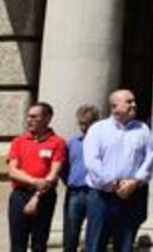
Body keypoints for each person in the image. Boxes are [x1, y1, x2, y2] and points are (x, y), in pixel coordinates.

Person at [83, 89, 153, 252]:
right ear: (114, 106)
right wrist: (112, 183)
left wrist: (135, 181)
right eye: (129, 101)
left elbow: (150, 159)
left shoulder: (143, 129)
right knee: (95, 245)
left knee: (125, 245)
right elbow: (92, 161)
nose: (134, 105)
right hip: (101, 197)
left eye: (134, 101)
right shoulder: (98, 129)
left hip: (131, 196)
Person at [7, 102, 67, 252]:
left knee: (39, 244)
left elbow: (53, 175)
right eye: (28, 116)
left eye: (34, 117)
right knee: (17, 243)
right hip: (19, 195)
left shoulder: (58, 142)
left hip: (44, 197)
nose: (29, 120)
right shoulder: (19, 141)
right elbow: (13, 171)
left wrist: (37, 196)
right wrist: (34, 181)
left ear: (47, 118)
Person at [63, 104, 99, 252]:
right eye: (81, 123)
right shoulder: (72, 142)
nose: (84, 127)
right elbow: (64, 166)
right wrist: (68, 181)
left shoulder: (101, 141)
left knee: (95, 233)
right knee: (70, 233)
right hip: (75, 191)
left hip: (95, 192)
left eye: (87, 123)